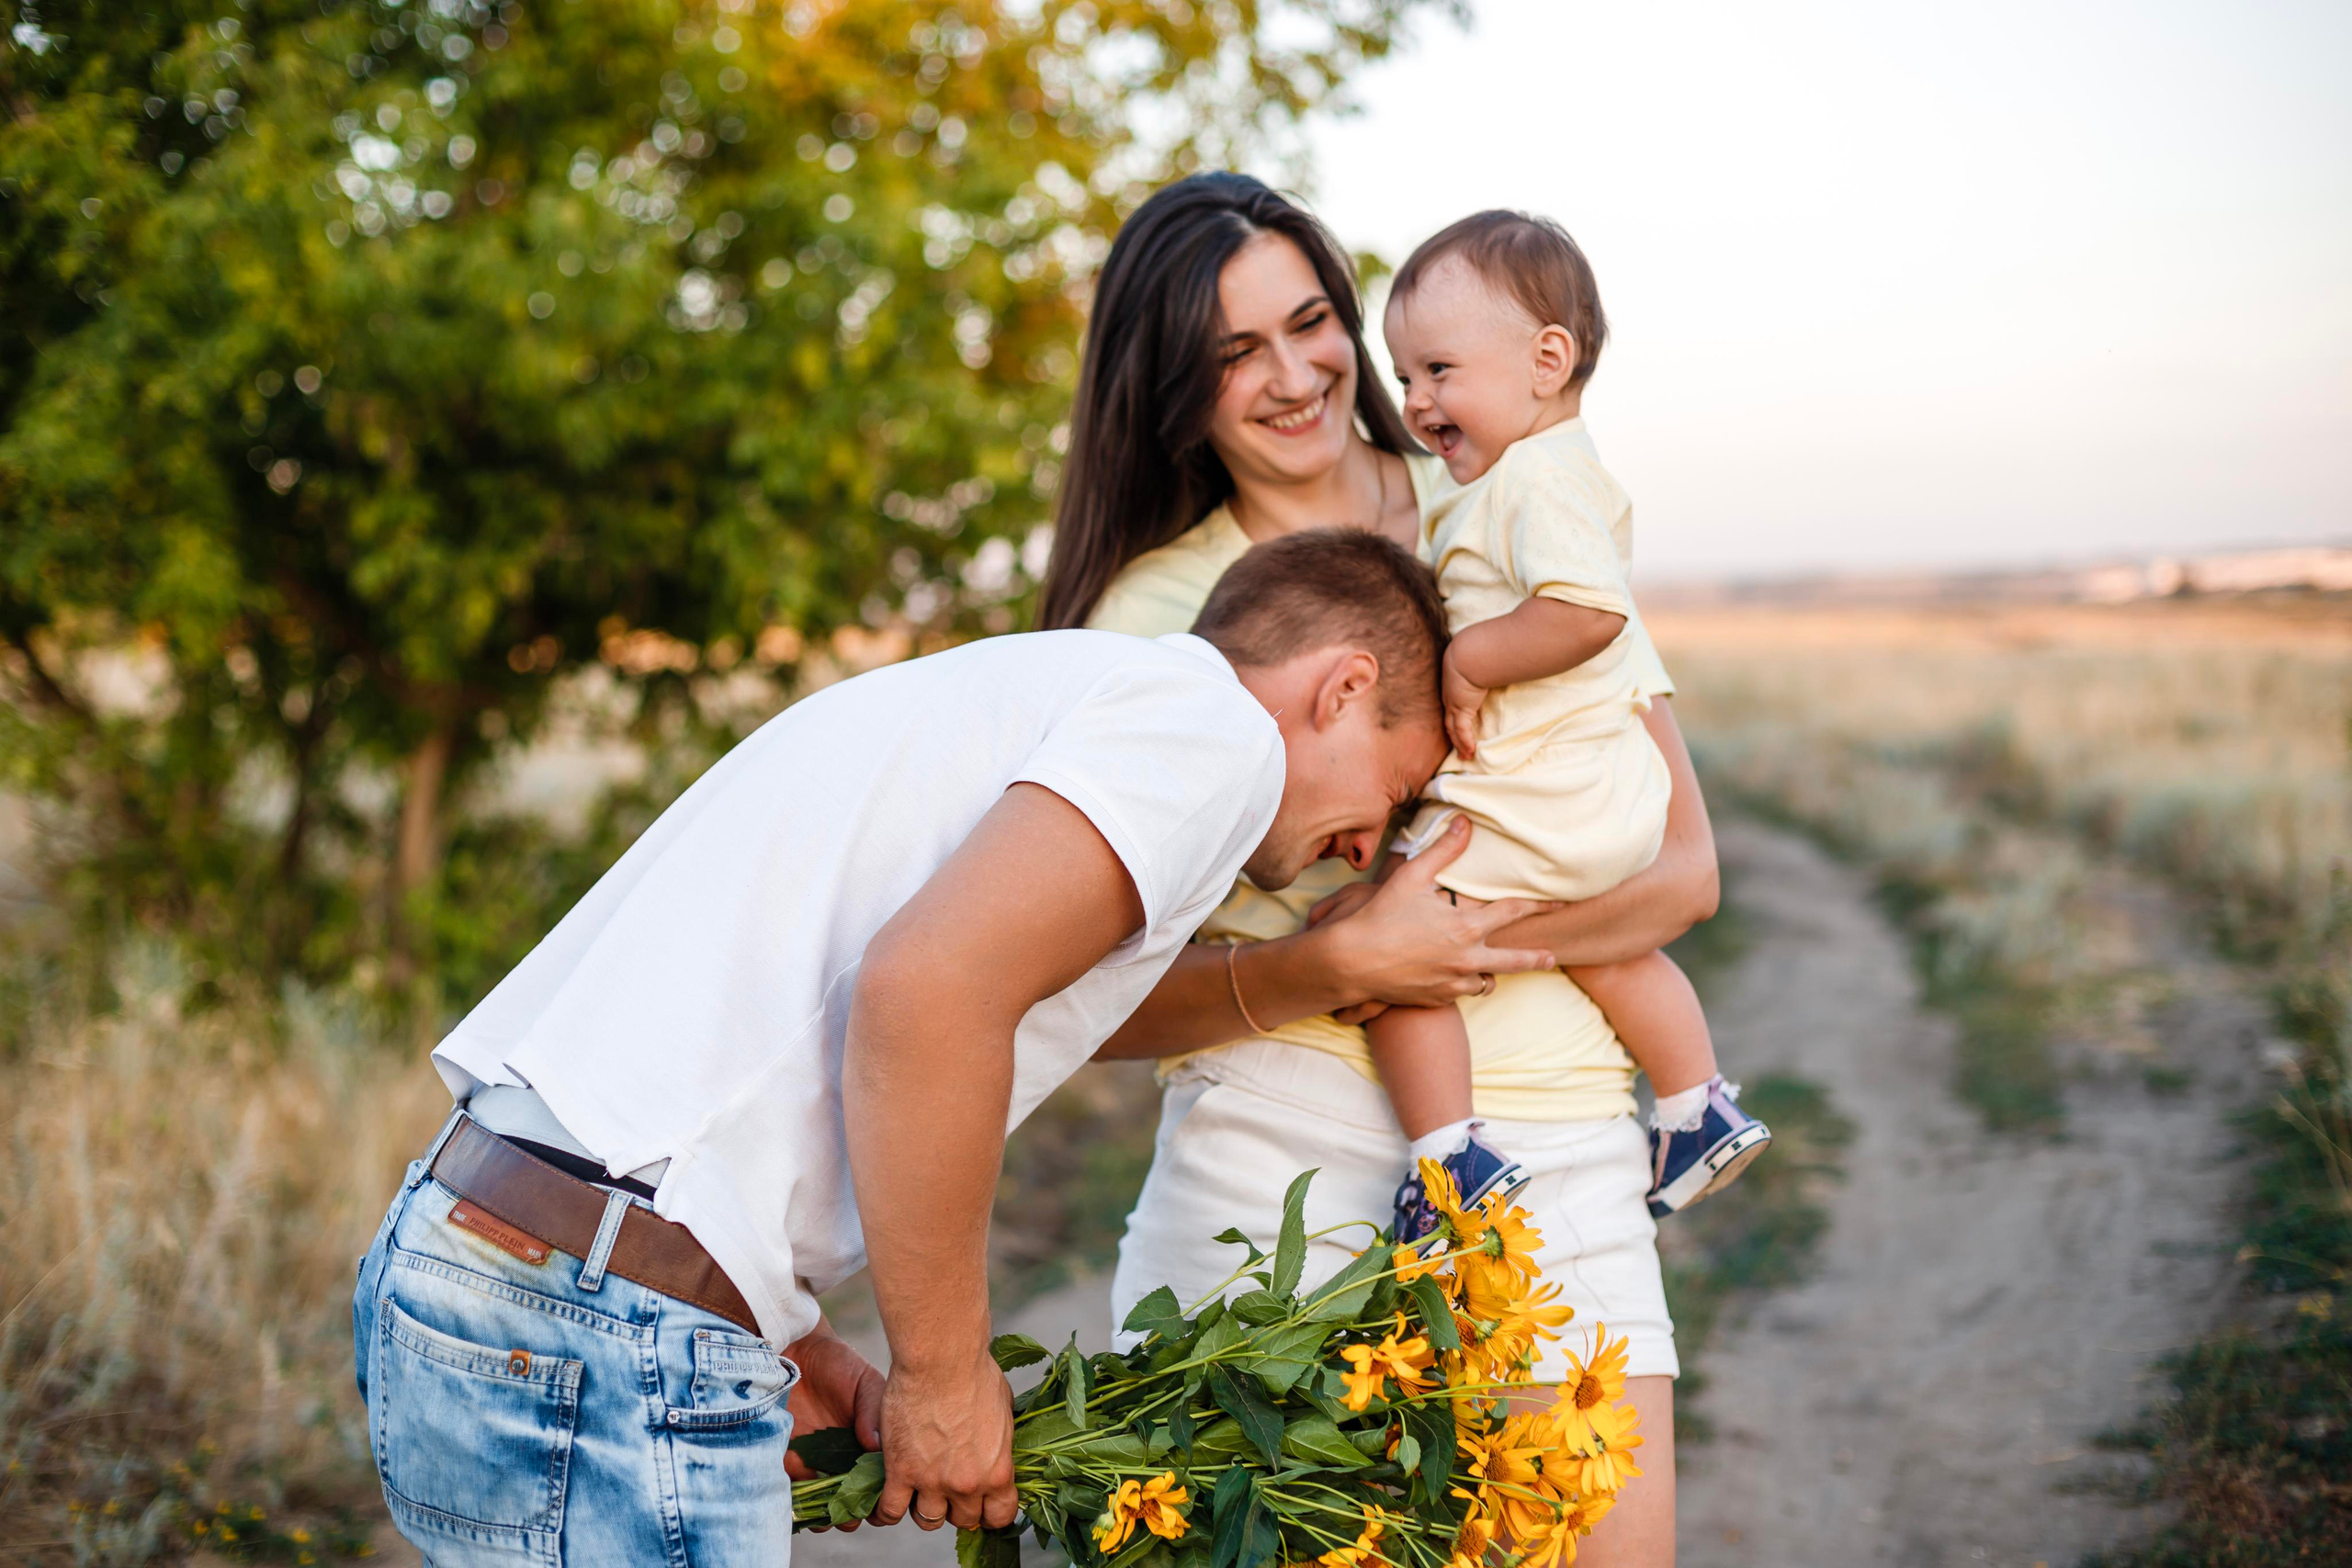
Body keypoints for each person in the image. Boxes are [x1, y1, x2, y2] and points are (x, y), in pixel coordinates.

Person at [349, 530, 1455, 1565]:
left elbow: (960, 987)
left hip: (484, 1246)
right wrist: (943, 1373)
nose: (1363, 849)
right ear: (1343, 685)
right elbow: (927, 992)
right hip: (594, 1311)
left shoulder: (1051, 692)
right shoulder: (1215, 734)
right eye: (1394, 790)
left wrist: (780, 1325)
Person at [1040, 172, 1716, 1567]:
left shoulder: (1522, 495)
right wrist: (1336, 961)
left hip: (1568, 1156)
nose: (1292, 376)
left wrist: (1478, 931)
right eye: (1234, 352)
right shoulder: (1158, 618)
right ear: (1172, 386)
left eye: (1308, 321)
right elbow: (1081, 992)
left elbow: (1686, 869)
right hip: (1276, 1162)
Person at [1370, 209, 1771, 1239]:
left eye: (1438, 370)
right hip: (1598, 807)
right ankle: (1693, 1104)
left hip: (1534, 798)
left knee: (1399, 951)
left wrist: (1466, 657)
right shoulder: (1552, 472)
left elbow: (1588, 613)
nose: (1415, 401)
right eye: (1405, 375)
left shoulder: (1535, 478)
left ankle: (1447, 1160)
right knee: (1612, 947)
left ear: (1547, 360)